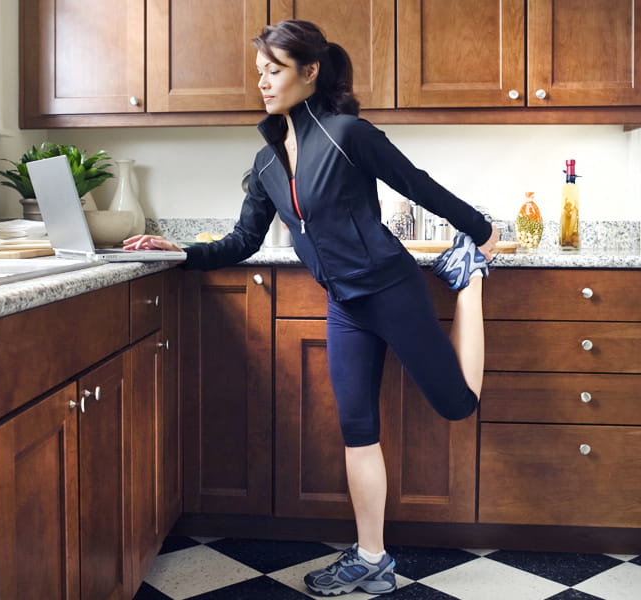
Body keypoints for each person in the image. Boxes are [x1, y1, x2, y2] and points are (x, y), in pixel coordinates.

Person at [124, 19, 500, 597]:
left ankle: (467, 281)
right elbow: (241, 243)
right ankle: (373, 559)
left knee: (455, 405)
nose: (264, 84)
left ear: (310, 71)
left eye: (274, 71)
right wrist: (178, 252)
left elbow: (419, 184)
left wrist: (480, 231)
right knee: (356, 430)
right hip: (344, 304)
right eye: (260, 73)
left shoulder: (349, 134)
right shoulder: (268, 163)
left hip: (391, 289)